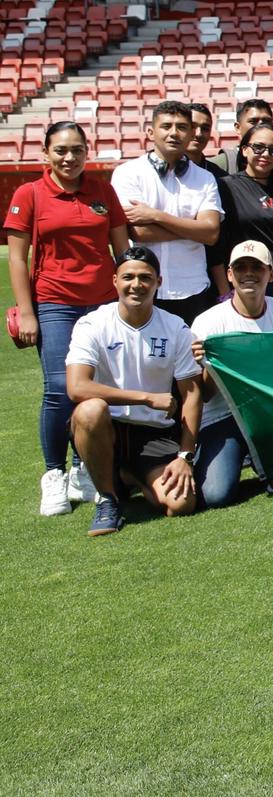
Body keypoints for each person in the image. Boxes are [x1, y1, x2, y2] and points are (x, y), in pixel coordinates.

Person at [8, 122, 131, 515]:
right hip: (54, 303)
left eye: (77, 150)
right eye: (60, 150)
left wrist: (126, 301)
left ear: (86, 153)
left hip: (102, 304)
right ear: (46, 153)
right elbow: (16, 257)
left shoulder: (103, 191)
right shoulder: (29, 194)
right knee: (61, 388)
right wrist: (27, 311)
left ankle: (83, 467)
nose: (69, 157)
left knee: (97, 388)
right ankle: (53, 474)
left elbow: (122, 250)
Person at [66, 248, 202, 535]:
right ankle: (108, 499)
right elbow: (77, 387)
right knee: (91, 409)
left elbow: (191, 394)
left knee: (181, 505)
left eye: (145, 277)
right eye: (128, 277)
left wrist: (185, 456)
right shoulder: (92, 324)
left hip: (153, 434)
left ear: (158, 282)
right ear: (115, 280)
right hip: (107, 429)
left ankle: (128, 475)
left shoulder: (176, 328)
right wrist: (146, 398)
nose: (136, 284)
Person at [188, 240, 273, 508]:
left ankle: (261, 455)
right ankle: (240, 454)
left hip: (272, 412)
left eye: (257, 267)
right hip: (224, 416)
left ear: (271, 274)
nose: (248, 273)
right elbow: (203, 395)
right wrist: (213, 364)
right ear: (229, 274)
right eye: (240, 267)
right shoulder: (208, 322)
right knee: (216, 495)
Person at [110, 101, 223, 325]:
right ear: (151, 132)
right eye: (166, 126)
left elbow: (211, 234)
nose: (174, 133)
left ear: (191, 133)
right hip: (143, 289)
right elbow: (139, 232)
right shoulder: (127, 173)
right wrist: (192, 228)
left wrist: (155, 216)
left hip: (194, 288)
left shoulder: (205, 178)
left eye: (181, 127)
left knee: (192, 358)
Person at [211, 123, 273, 297]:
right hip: (244, 281)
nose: (266, 154)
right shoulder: (226, 187)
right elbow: (216, 247)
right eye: (258, 147)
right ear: (244, 150)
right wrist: (224, 291)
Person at [211, 98, 273, 174]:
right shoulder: (219, 165)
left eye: (266, 121)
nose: (261, 126)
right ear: (238, 127)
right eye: (253, 121)